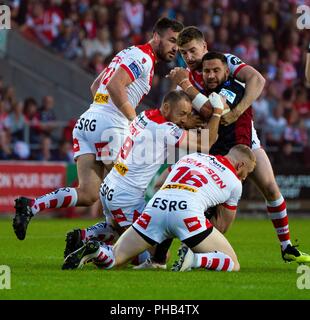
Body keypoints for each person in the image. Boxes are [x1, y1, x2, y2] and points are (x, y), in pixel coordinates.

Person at [13, 17, 184, 241]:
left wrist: (103, 113)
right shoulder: (142, 57)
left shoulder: (128, 53)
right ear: (156, 36)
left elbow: (96, 85)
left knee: (88, 193)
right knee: (123, 194)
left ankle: (32, 206)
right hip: (111, 126)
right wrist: (133, 122)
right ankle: (102, 244)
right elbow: (114, 85)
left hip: (89, 120)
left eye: (177, 44)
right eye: (172, 40)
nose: (175, 48)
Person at [168, 34, 310, 264]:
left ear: (204, 46)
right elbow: (189, 114)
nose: (188, 57)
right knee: (213, 210)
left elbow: (255, 81)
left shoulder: (226, 67)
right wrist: (187, 119)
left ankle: (286, 246)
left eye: (192, 50)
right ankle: (185, 250)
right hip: (213, 148)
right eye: (183, 53)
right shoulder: (186, 78)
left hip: (244, 142)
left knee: (271, 189)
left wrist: (236, 111)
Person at [62, 89, 226, 266]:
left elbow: (168, 131)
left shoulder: (144, 116)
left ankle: (84, 236)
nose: (184, 119)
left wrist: (183, 123)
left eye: (187, 114)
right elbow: (206, 143)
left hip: (111, 187)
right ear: (166, 107)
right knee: (157, 254)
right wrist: (217, 111)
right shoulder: (166, 129)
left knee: (117, 229)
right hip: (127, 197)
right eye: (182, 114)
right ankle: (96, 250)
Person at [62, 145, 256, 271]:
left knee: (115, 259)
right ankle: (193, 260)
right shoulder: (235, 183)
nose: (245, 178)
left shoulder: (193, 157)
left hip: (156, 206)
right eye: (247, 173)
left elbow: (158, 183)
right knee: (233, 263)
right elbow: (222, 226)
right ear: (239, 166)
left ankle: (97, 251)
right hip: (187, 213)